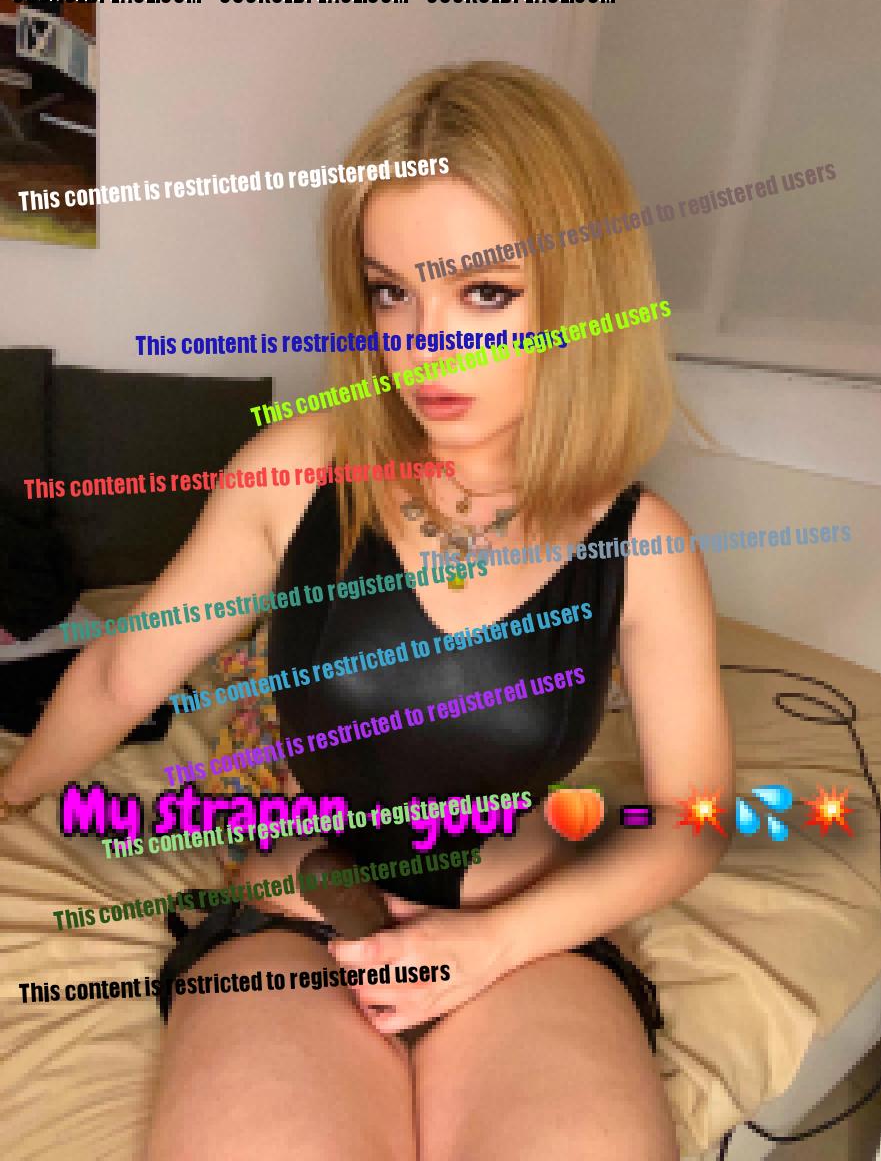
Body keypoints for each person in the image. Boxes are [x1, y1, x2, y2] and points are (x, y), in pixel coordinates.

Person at [0, 61, 733, 1160]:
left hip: (526, 941)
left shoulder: (643, 543)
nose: (423, 345)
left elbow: (694, 817)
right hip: (304, 921)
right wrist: (11, 797)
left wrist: (494, 946)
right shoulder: (298, 471)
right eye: (393, 292)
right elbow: (119, 672)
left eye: (485, 293)